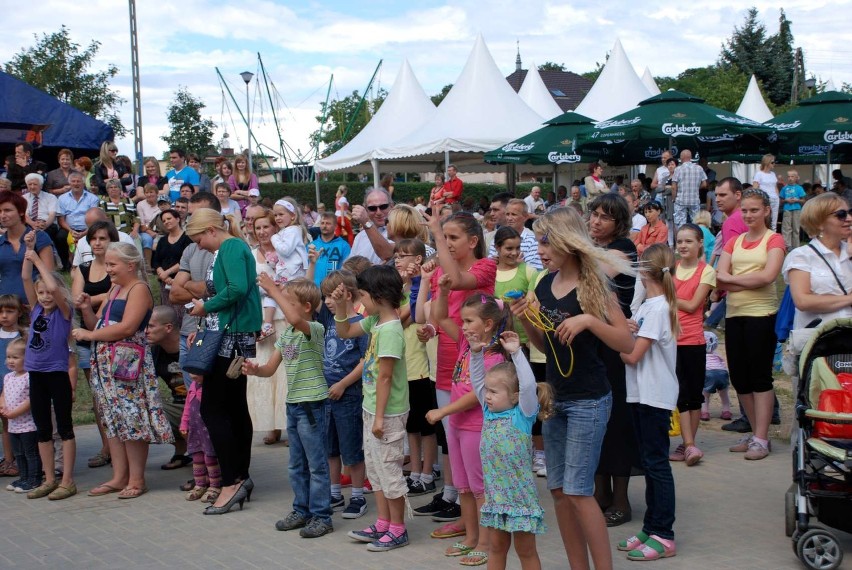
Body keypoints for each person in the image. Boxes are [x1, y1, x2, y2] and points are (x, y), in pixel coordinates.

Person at [511, 207, 634, 570]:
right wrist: (525, 318)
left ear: (567, 240)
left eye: (546, 242)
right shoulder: (545, 284)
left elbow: (625, 343)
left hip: (589, 400)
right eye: (537, 242)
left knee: (580, 492)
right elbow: (545, 345)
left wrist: (588, 320)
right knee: (560, 493)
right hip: (556, 398)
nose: (541, 250)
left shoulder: (593, 282)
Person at [73, 243, 172, 498]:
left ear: (130, 265)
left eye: (112, 264)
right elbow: (100, 322)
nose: (108, 269)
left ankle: (137, 480)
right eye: (106, 264)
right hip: (106, 364)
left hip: (127, 364)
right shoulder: (114, 289)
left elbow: (127, 328)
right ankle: (119, 477)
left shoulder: (138, 288)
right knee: (113, 419)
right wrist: (86, 310)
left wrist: (91, 334)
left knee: (132, 419)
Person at [427, 289, 512, 566]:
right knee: (462, 486)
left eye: (469, 321)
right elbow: (439, 316)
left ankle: (486, 542)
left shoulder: (494, 356)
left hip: (477, 428)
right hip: (458, 427)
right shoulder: (467, 343)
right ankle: (472, 537)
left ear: (488, 324)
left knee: (480, 488)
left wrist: (444, 411)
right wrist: (440, 288)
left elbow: (477, 394)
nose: (463, 327)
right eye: (462, 321)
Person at [185, 208, 261, 514]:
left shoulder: (230, 246)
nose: (199, 246)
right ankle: (240, 476)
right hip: (230, 334)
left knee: (213, 408)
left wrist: (206, 307)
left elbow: (237, 289)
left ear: (211, 230)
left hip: (230, 338)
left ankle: (231, 482)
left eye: (199, 238)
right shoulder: (233, 247)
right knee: (233, 408)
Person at [331, 265, 411, 552]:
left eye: (362, 296)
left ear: (378, 296)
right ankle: (383, 523)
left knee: (389, 471)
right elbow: (346, 330)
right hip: (373, 408)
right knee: (375, 471)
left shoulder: (390, 330)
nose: (360, 302)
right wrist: (342, 306)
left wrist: (378, 418)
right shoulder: (375, 321)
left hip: (386, 413)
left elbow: (386, 377)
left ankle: (398, 529)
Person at [246, 277, 333, 538]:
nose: (285, 308)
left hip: (312, 404)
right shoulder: (288, 336)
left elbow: (295, 320)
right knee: (296, 464)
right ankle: (302, 510)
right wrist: (254, 370)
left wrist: (272, 289)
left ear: (306, 307)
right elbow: (270, 368)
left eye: (289, 303)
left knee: (316, 464)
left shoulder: (314, 328)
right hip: (294, 405)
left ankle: (322, 516)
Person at [469, 330, 551, 570]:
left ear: (515, 397)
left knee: (526, 551)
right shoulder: (488, 412)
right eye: (488, 391)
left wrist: (516, 353)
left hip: (521, 501)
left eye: (494, 392)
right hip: (496, 499)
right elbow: (476, 381)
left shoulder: (523, 414)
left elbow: (527, 385)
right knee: (496, 548)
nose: (488, 396)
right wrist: (476, 354)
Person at [618, 243, 679, 561]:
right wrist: (628, 329)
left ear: (645, 271)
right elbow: (635, 335)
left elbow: (631, 355)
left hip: (655, 396)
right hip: (642, 394)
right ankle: (651, 527)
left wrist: (616, 338)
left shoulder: (658, 308)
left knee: (657, 465)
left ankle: (664, 533)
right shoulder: (649, 306)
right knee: (650, 461)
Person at [716, 188, 785, 461]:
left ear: (766, 211)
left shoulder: (774, 239)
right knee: (740, 378)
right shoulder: (736, 241)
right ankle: (756, 433)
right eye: (744, 210)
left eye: (754, 210)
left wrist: (733, 281)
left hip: (762, 315)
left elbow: (768, 277)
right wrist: (742, 280)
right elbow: (719, 277)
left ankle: (761, 437)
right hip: (734, 314)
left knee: (760, 377)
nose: (748, 215)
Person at [586, 193, 641, 529]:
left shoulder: (623, 249)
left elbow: (591, 279)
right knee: (595, 418)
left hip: (614, 343)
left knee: (617, 420)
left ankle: (621, 498)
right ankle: (600, 492)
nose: (596, 221)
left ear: (618, 222)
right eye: (593, 214)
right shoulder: (592, 248)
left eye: (604, 217)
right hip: (593, 341)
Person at [21, 233, 77, 500]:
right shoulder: (35, 311)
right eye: (40, 292)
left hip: (56, 373)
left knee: (64, 426)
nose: (44, 297)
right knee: (42, 428)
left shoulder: (64, 312)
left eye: (47, 293)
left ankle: (67, 480)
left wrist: (38, 262)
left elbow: (54, 288)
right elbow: (24, 279)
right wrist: (29, 250)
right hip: (36, 374)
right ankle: (49, 478)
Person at [318, 270, 369, 518]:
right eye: (325, 295)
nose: (327, 301)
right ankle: (334, 491)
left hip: (348, 395)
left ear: (347, 294)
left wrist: (343, 384)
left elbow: (364, 360)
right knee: (330, 448)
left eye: (331, 296)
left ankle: (358, 496)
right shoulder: (330, 320)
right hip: (327, 395)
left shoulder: (359, 323)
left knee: (351, 448)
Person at [70, 221, 118, 469]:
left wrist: (93, 298)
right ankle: (106, 447)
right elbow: (77, 299)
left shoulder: (117, 267)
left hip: (113, 336)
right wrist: (99, 298)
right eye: (94, 239)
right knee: (98, 396)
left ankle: (120, 445)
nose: (98, 243)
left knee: (116, 394)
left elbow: (118, 292)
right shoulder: (84, 267)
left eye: (103, 238)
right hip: (87, 335)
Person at [392, 240, 437, 498]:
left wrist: (410, 286)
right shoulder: (400, 286)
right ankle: (416, 471)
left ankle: (428, 472)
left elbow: (404, 317)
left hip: (420, 365)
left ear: (418, 260)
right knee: (411, 424)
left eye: (404, 255)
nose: (398, 260)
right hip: (403, 365)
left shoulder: (423, 287)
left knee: (426, 424)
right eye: (396, 256)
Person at [670, 224, 716, 466]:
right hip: (671, 340)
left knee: (693, 395)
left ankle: (689, 443)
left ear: (700, 243)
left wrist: (666, 295)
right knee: (681, 394)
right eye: (679, 241)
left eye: (688, 241)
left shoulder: (706, 271)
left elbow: (692, 304)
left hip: (693, 340)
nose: (683, 246)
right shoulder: (672, 269)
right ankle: (688, 444)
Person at [783, 192, 852, 338]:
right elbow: (803, 301)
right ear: (819, 223)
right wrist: (849, 299)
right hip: (819, 342)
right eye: (841, 215)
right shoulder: (801, 256)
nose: (849, 219)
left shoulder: (849, 252)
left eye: (849, 213)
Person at [245, 211, 288, 446]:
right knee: (262, 368)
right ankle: (269, 425)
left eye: (266, 227)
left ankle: (286, 422)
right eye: (257, 227)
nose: (261, 232)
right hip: (260, 316)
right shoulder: (251, 255)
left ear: (274, 228)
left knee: (283, 370)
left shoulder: (284, 252)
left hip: (281, 314)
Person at [143, 305, 189, 471]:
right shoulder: (154, 351)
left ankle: (204, 461)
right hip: (178, 403)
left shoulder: (189, 344)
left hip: (199, 402)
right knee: (144, 409)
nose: (146, 330)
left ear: (168, 327)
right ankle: (181, 450)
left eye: (151, 326)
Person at [264, 198, 310, 339]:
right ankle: (269, 325)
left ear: (293, 216)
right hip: (285, 275)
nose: (277, 218)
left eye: (281, 214)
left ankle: (294, 338)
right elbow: (285, 256)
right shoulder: (286, 231)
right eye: (275, 215)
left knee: (290, 307)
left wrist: (273, 238)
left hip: (294, 277)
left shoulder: (293, 230)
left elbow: (285, 250)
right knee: (272, 295)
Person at [1, 338, 41, 493]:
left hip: (28, 424)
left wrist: (13, 413)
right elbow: (3, 394)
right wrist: (3, 406)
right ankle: (23, 478)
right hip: (13, 425)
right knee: (18, 453)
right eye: (9, 357)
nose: (10, 361)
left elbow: (31, 400)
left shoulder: (30, 376)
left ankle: (34, 479)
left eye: (15, 357)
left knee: (30, 453)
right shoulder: (8, 377)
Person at [0, 190, 55, 299]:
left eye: (7, 210)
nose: (2, 215)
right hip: (6, 308)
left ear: (21, 212)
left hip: (35, 305)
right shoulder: (1, 242)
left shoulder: (39, 237)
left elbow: (49, 275)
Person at [179, 374, 220, 503]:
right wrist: (184, 423)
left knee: (210, 457)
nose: (192, 375)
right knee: (196, 456)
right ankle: (200, 484)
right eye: (190, 371)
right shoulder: (192, 385)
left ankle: (214, 486)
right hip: (195, 430)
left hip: (207, 430)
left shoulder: (211, 387)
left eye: (197, 372)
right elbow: (187, 406)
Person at [0, 294, 27, 478]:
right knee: (6, 423)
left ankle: (25, 459)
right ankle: (9, 460)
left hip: (19, 386)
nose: (4, 316)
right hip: (2, 386)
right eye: (1, 312)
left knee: (24, 423)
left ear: (19, 313)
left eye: (9, 311)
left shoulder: (24, 334)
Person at [57, 171, 101, 270]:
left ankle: (91, 264)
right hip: (69, 229)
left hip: (88, 228)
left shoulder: (92, 198)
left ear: (83, 183)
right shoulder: (62, 199)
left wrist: (85, 232)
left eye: (78, 181)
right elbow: (61, 219)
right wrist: (71, 231)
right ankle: (66, 265)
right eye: (73, 181)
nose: (76, 183)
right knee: (60, 237)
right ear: (69, 183)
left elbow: (94, 219)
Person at [151, 209, 193, 309]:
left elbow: (187, 260)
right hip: (164, 281)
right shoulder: (162, 240)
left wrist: (168, 273)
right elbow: (156, 261)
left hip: (181, 281)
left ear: (178, 219)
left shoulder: (187, 238)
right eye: (164, 220)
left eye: (169, 218)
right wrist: (163, 275)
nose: (166, 222)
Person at [488, 199, 542, 270]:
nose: (509, 218)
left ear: (525, 217)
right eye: (507, 214)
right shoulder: (497, 237)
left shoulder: (533, 241)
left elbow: (535, 271)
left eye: (514, 214)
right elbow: (489, 264)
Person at [23, 173, 62, 268]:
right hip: (30, 224)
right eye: (29, 184)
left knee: (45, 233)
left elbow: (52, 214)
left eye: (35, 184)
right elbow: (25, 215)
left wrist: (44, 225)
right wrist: (33, 224)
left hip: (47, 224)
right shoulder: (24, 198)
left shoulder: (50, 197)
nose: (32, 187)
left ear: (41, 185)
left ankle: (52, 262)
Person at [351, 188, 394, 264]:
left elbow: (387, 254)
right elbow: (350, 266)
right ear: (366, 209)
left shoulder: (400, 231)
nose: (378, 212)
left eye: (383, 206)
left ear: (391, 206)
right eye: (372, 208)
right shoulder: (360, 236)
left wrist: (367, 223)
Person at [308, 211, 351, 287]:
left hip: (334, 290)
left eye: (328, 223)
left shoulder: (344, 245)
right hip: (314, 290)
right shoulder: (311, 245)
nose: (324, 226)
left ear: (335, 226)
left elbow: (347, 271)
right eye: (322, 223)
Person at [701, 331, 732, 421]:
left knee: (705, 395)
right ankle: (726, 411)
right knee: (724, 395)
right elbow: (722, 363)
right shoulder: (716, 354)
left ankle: (704, 412)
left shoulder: (701, 355)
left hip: (709, 374)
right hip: (722, 373)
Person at [671, 149, 707, 228]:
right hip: (694, 200)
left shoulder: (678, 169)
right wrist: (696, 187)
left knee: (680, 224)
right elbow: (704, 184)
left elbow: (674, 187)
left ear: (681, 157)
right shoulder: (699, 168)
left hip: (681, 200)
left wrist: (673, 199)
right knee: (697, 223)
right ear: (690, 157)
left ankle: (681, 239)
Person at [752, 154, 781, 231]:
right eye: (772, 162)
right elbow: (755, 187)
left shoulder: (773, 174)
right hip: (765, 199)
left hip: (775, 199)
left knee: (774, 219)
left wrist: (778, 198)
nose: (774, 164)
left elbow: (775, 187)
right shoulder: (759, 174)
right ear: (767, 162)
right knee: (766, 218)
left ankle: (773, 235)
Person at [780, 169, 807, 250]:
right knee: (786, 228)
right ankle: (787, 245)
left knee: (796, 228)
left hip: (797, 209)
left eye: (792, 176)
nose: (790, 178)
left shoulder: (799, 188)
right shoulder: (784, 188)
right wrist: (786, 200)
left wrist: (797, 200)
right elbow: (781, 201)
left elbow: (803, 200)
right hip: (787, 209)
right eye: (788, 176)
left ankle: (796, 245)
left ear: (796, 178)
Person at [136, 184, 161, 269]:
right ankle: (148, 266)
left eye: (151, 192)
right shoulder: (140, 204)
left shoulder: (162, 204)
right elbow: (142, 224)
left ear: (157, 193)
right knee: (147, 239)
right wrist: (151, 232)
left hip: (160, 230)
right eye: (147, 192)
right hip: (145, 231)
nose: (149, 194)